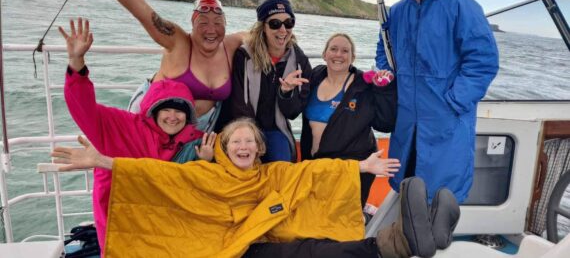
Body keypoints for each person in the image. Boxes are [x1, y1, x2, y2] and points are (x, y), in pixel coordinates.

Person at [52, 118, 460, 258]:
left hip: (260, 243)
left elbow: (312, 172)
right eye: (237, 142)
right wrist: (103, 161)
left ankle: (411, 236)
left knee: (315, 248)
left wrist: (361, 165)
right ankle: (412, 236)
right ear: (227, 148)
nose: (244, 146)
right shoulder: (207, 174)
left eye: (250, 141)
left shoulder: (270, 173)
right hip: (228, 250)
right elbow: (159, 176)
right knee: (312, 252)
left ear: (259, 148)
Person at [59, 17, 216, 253]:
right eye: (166, 110)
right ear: (152, 110)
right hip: (121, 220)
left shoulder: (194, 138)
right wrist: (76, 62)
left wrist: (206, 160)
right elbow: (83, 107)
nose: (173, 117)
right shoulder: (123, 126)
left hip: (164, 223)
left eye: (180, 111)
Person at [375, 0, 499, 203]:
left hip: (446, 121)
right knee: (407, 186)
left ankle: (433, 239)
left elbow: (482, 62)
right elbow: (383, 50)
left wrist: (454, 101)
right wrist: (387, 78)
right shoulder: (397, 12)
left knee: (441, 195)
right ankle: (407, 238)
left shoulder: (463, 6)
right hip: (407, 122)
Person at [87, 0, 246, 132]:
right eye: (203, 22)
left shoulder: (231, 44)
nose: (211, 29)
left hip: (196, 130)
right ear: (192, 25)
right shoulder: (178, 41)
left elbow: (263, 33)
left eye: (218, 22)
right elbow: (142, 11)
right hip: (152, 120)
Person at [301, 33, 397, 208]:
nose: (339, 54)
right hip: (316, 165)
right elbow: (291, 110)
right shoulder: (314, 77)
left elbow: (385, 123)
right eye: (334, 49)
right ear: (324, 54)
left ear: (352, 58)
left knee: (342, 225)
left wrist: (384, 91)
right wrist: (285, 92)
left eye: (345, 51)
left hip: (354, 166)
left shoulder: (362, 86)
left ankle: (362, 213)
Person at [218, 0, 312, 162]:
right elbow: (238, 105)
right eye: (275, 24)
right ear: (263, 27)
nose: (283, 30)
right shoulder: (244, 56)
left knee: (281, 163)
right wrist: (253, 141)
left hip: (275, 129)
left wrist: (286, 93)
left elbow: (292, 113)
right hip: (243, 126)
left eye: (288, 23)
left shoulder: (299, 61)